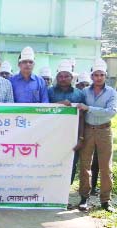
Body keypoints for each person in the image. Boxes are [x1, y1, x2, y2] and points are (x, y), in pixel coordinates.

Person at [77, 59, 117, 212]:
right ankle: (84, 198)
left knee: (105, 166)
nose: (99, 77)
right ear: (92, 76)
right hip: (88, 130)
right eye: (96, 75)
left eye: (101, 75)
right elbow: (79, 109)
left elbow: (111, 112)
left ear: (105, 76)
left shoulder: (112, 92)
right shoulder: (85, 92)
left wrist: (89, 108)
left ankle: (106, 200)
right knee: (85, 165)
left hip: (104, 130)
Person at [47, 60, 85, 189]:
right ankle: (51, 192)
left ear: (71, 77)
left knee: (70, 163)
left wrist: (81, 138)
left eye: (66, 76)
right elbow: (42, 110)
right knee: (51, 162)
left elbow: (82, 117)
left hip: (72, 136)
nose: (63, 79)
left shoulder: (79, 94)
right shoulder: (50, 92)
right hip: (52, 135)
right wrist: (59, 104)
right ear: (57, 77)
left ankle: (64, 193)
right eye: (60, 76)